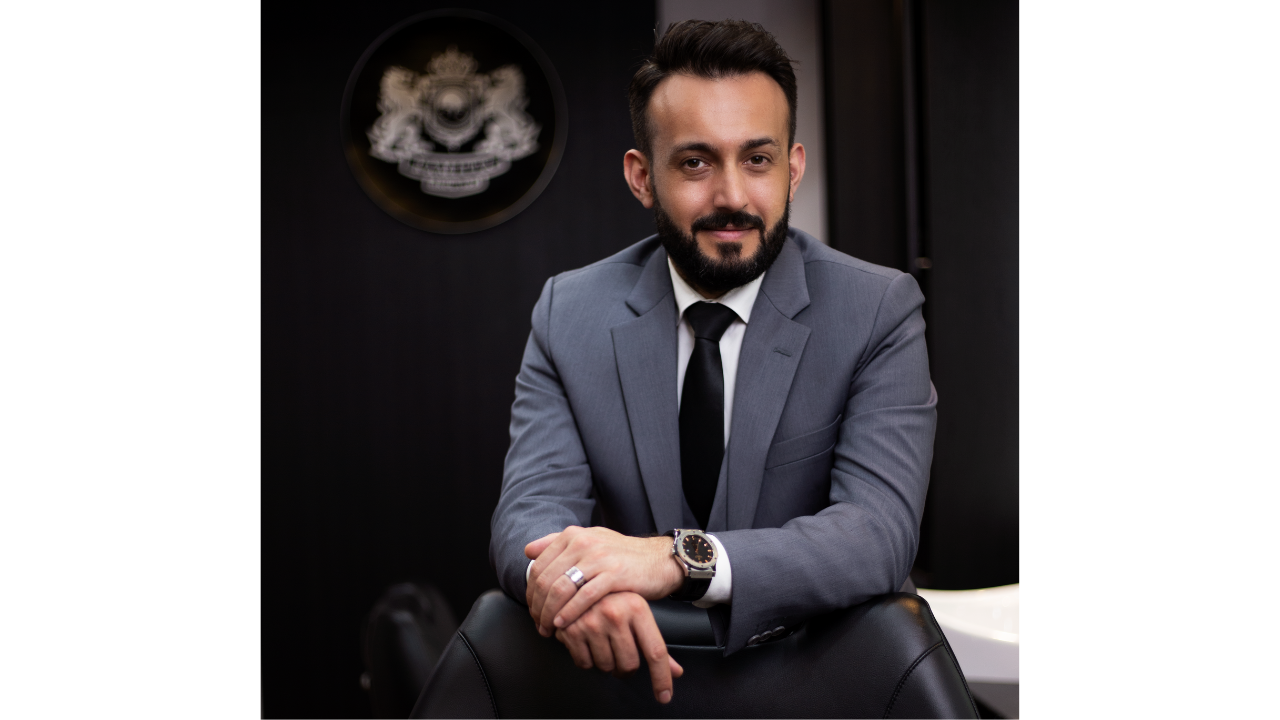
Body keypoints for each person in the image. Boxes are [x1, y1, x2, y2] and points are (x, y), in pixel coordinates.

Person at [489, 19, 936, 705]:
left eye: (756, 160)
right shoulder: (568, 312)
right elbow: (529, 511)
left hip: (827, 690)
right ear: (642, 177)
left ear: (792, 169)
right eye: (695, 163)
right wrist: (577, 587)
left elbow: (877, 533)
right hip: (639, 688)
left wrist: (674, 559)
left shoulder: (877, 309)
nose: (731, 196)